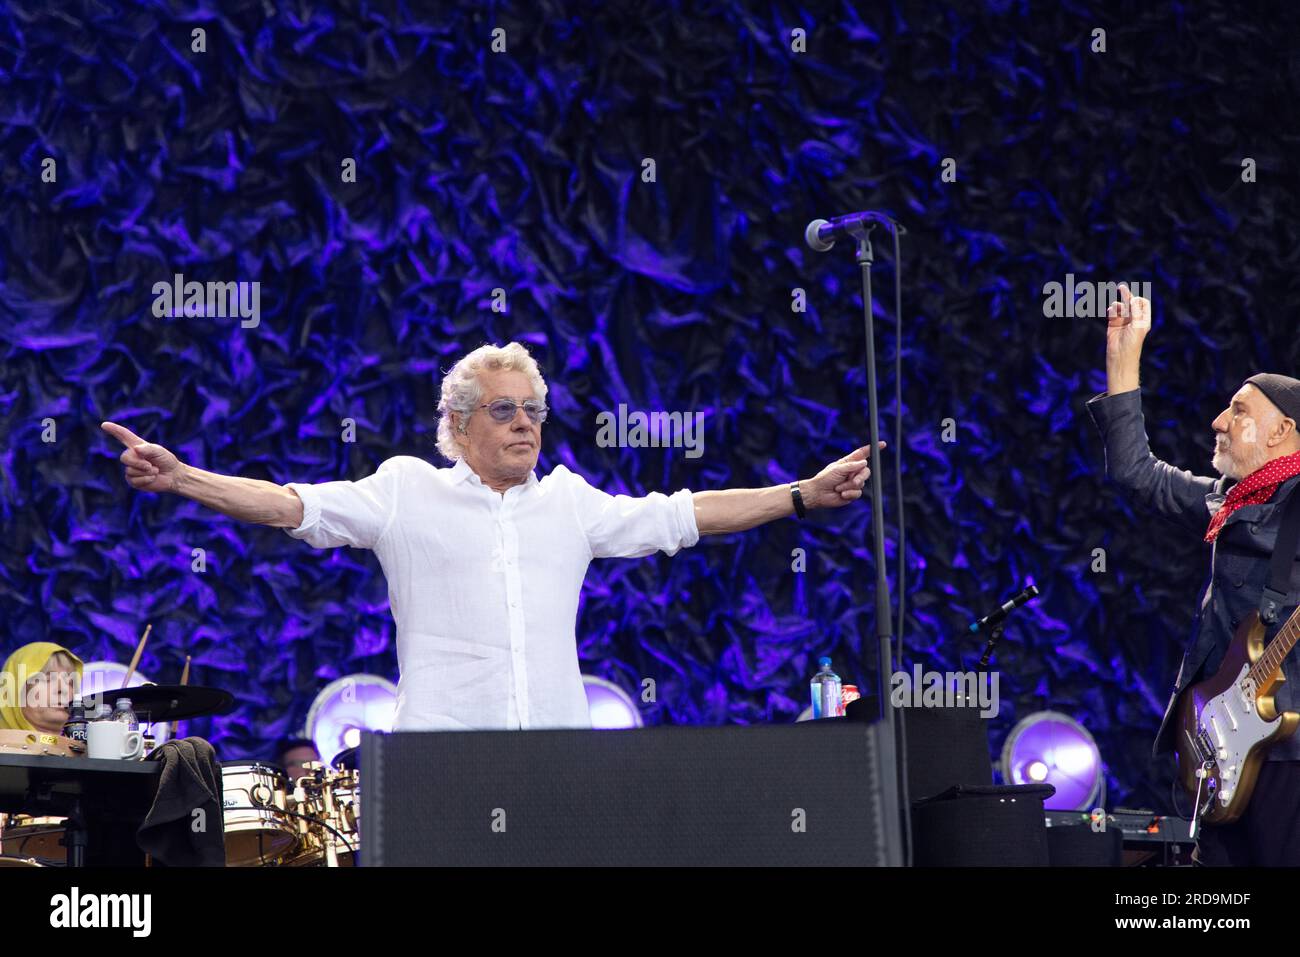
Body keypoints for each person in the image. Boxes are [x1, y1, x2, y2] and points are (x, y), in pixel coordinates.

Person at [102, 341, 880, 733]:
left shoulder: (571, 501)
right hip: (443, 763)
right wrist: (183, 478)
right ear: (457, 423)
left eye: (533, 410)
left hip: (556, 763)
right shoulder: (407, 489)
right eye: (504, 410)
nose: (524, 424)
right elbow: (288, 505)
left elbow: (685, 514)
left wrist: (800, 496)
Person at [1087, 284, 1300, 866]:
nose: (1217, 421)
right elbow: (1135, 471)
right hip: (1218, 750)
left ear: (1283, 432)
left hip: (1289, 753)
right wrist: (1124, 355)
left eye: (1239, 411)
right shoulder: (1227, 501)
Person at [0, 642, 84, 736]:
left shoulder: (91, 747)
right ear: (14, 691)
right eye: (48, 679)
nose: (63, 689)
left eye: (70, 683)